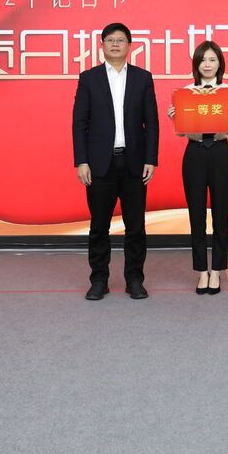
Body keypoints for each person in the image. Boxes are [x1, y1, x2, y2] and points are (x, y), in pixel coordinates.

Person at [72, 22, 159, 301]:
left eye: (120, 40)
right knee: (99, 226)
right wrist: (81, 161)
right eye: (110, 40)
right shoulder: (89, 78)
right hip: (100, 164)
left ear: (129, 46)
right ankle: (99, 280)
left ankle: (135, 279)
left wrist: (151, 159)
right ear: (102, 45)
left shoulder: (142, 78)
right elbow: (79, 123)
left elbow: (152, 123)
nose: (115, 44)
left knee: (136, 227)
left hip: (134, 163)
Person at [166, 41, 228, 295]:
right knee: (196, 214)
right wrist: (176, 118)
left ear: (220, 63)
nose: (207, 65)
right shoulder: (186, 93)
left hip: (220, 152)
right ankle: (201, 271)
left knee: (221, 214)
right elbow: (182, 132)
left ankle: (217, 270)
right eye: (203, 60)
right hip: (195, 153)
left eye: (212, 60)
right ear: (196, 64)